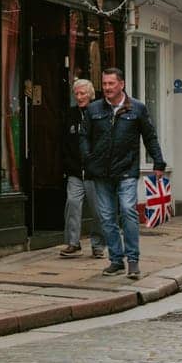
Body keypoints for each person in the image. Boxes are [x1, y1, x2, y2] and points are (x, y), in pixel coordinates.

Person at [83, 67, 167, 280]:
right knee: (107, 217)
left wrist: (158, 162)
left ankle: (133, 260)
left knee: (129, 210)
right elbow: (84, 137)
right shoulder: (93, 110)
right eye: (104, 84)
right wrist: (88, 158)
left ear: (122, 84)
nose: (107, 88)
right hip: (101, 172)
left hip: (127, 170)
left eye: (111, 84)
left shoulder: (137, 108)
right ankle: (116, 260)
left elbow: (150, 137)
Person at [57, 79, 104, 259]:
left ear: (90, 94)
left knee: (98, 210)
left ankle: (98, 245)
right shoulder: (70, 115)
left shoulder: (99, 114)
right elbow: (64, 142)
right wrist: (68, 165)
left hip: (94, 172)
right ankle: (72, 243)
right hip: (75, 171)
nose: (79, 97)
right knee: (73, 205)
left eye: (82, 93)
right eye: (76, 94)